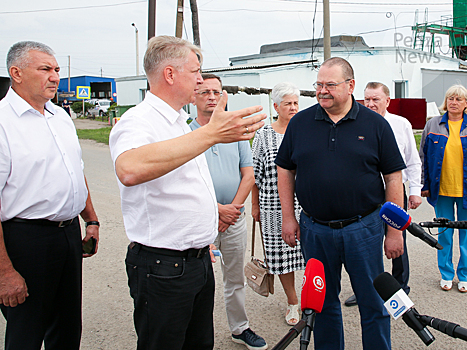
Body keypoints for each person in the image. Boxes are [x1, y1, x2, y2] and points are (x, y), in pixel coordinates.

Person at [108, 36, 266, 350]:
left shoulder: (180, 122)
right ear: (169, 74)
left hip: (195, 260)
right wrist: (210, 134)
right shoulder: (139, 121)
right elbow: (129, 168)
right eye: (195, 72)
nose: (199, 79)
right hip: (163, 267)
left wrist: (201, 237)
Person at [276, 57, 406, 350]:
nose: (322, 91)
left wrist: (394, 230)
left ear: (351, 86)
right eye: (318, 85)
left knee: (373, 302)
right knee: (321, 304)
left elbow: (393, 178)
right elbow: (285, 168)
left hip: (364, 229)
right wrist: (288, 217)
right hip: (315, 230)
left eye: (330, 85)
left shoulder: (375, 125)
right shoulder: (300, 123)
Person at [0, 41, 100, 350]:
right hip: (24, 240)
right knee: (27, 331)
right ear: (16, 73)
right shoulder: (3, 122)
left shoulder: (60, 117)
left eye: (56, 69)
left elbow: (74, 171)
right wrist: (4, 272)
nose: (55, 76)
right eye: (45, 69)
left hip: (67, 235)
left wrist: (91, 220)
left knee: (68, 328)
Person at [190, 73, 267, 350]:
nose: (211, 96)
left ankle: (239, 328)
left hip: (233, 219)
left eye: (216, 92)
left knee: (234, 279)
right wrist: (215, 210)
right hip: (201, 220)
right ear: (194, 96)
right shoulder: (187, 133)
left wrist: (232, 210)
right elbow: (185, 180)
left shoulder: (236, 133)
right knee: (197, 282)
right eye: (205, 92)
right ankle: (195, 334)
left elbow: (248, 174)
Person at [344, 82, 422, 307]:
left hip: (394, 192)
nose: (370, 104)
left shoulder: (400, 124)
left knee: (397, 240)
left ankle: (400, 290)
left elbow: (412, 160)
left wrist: (415, 191)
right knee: (365, 245)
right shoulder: (353, 124)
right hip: (365, 194)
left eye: (375, 99)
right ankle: (365, 290)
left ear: (387, 101)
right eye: (366, 99)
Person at [251, 82, 305, 326]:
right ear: (276, 106)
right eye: (288, 104)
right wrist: (255, 206)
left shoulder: (306, 130)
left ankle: (315, 298)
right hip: (272, 207)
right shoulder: (264, 135)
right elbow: (254, 174)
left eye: (296, 103)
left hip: (306, 205)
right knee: (282, 258)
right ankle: (293, 302)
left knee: (313, 254)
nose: (293, 108)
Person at [420, 84, 467, 293]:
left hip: (465, 190)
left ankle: (464, 275)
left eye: (458, 99)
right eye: (451, 98)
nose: (454, 103)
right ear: (446, 102)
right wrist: (424, 184)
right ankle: (446, 274)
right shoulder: (433, 125)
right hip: (442, 190)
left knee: (466, 237)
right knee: (445, 234)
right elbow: (423, 158)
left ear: (466, 104)